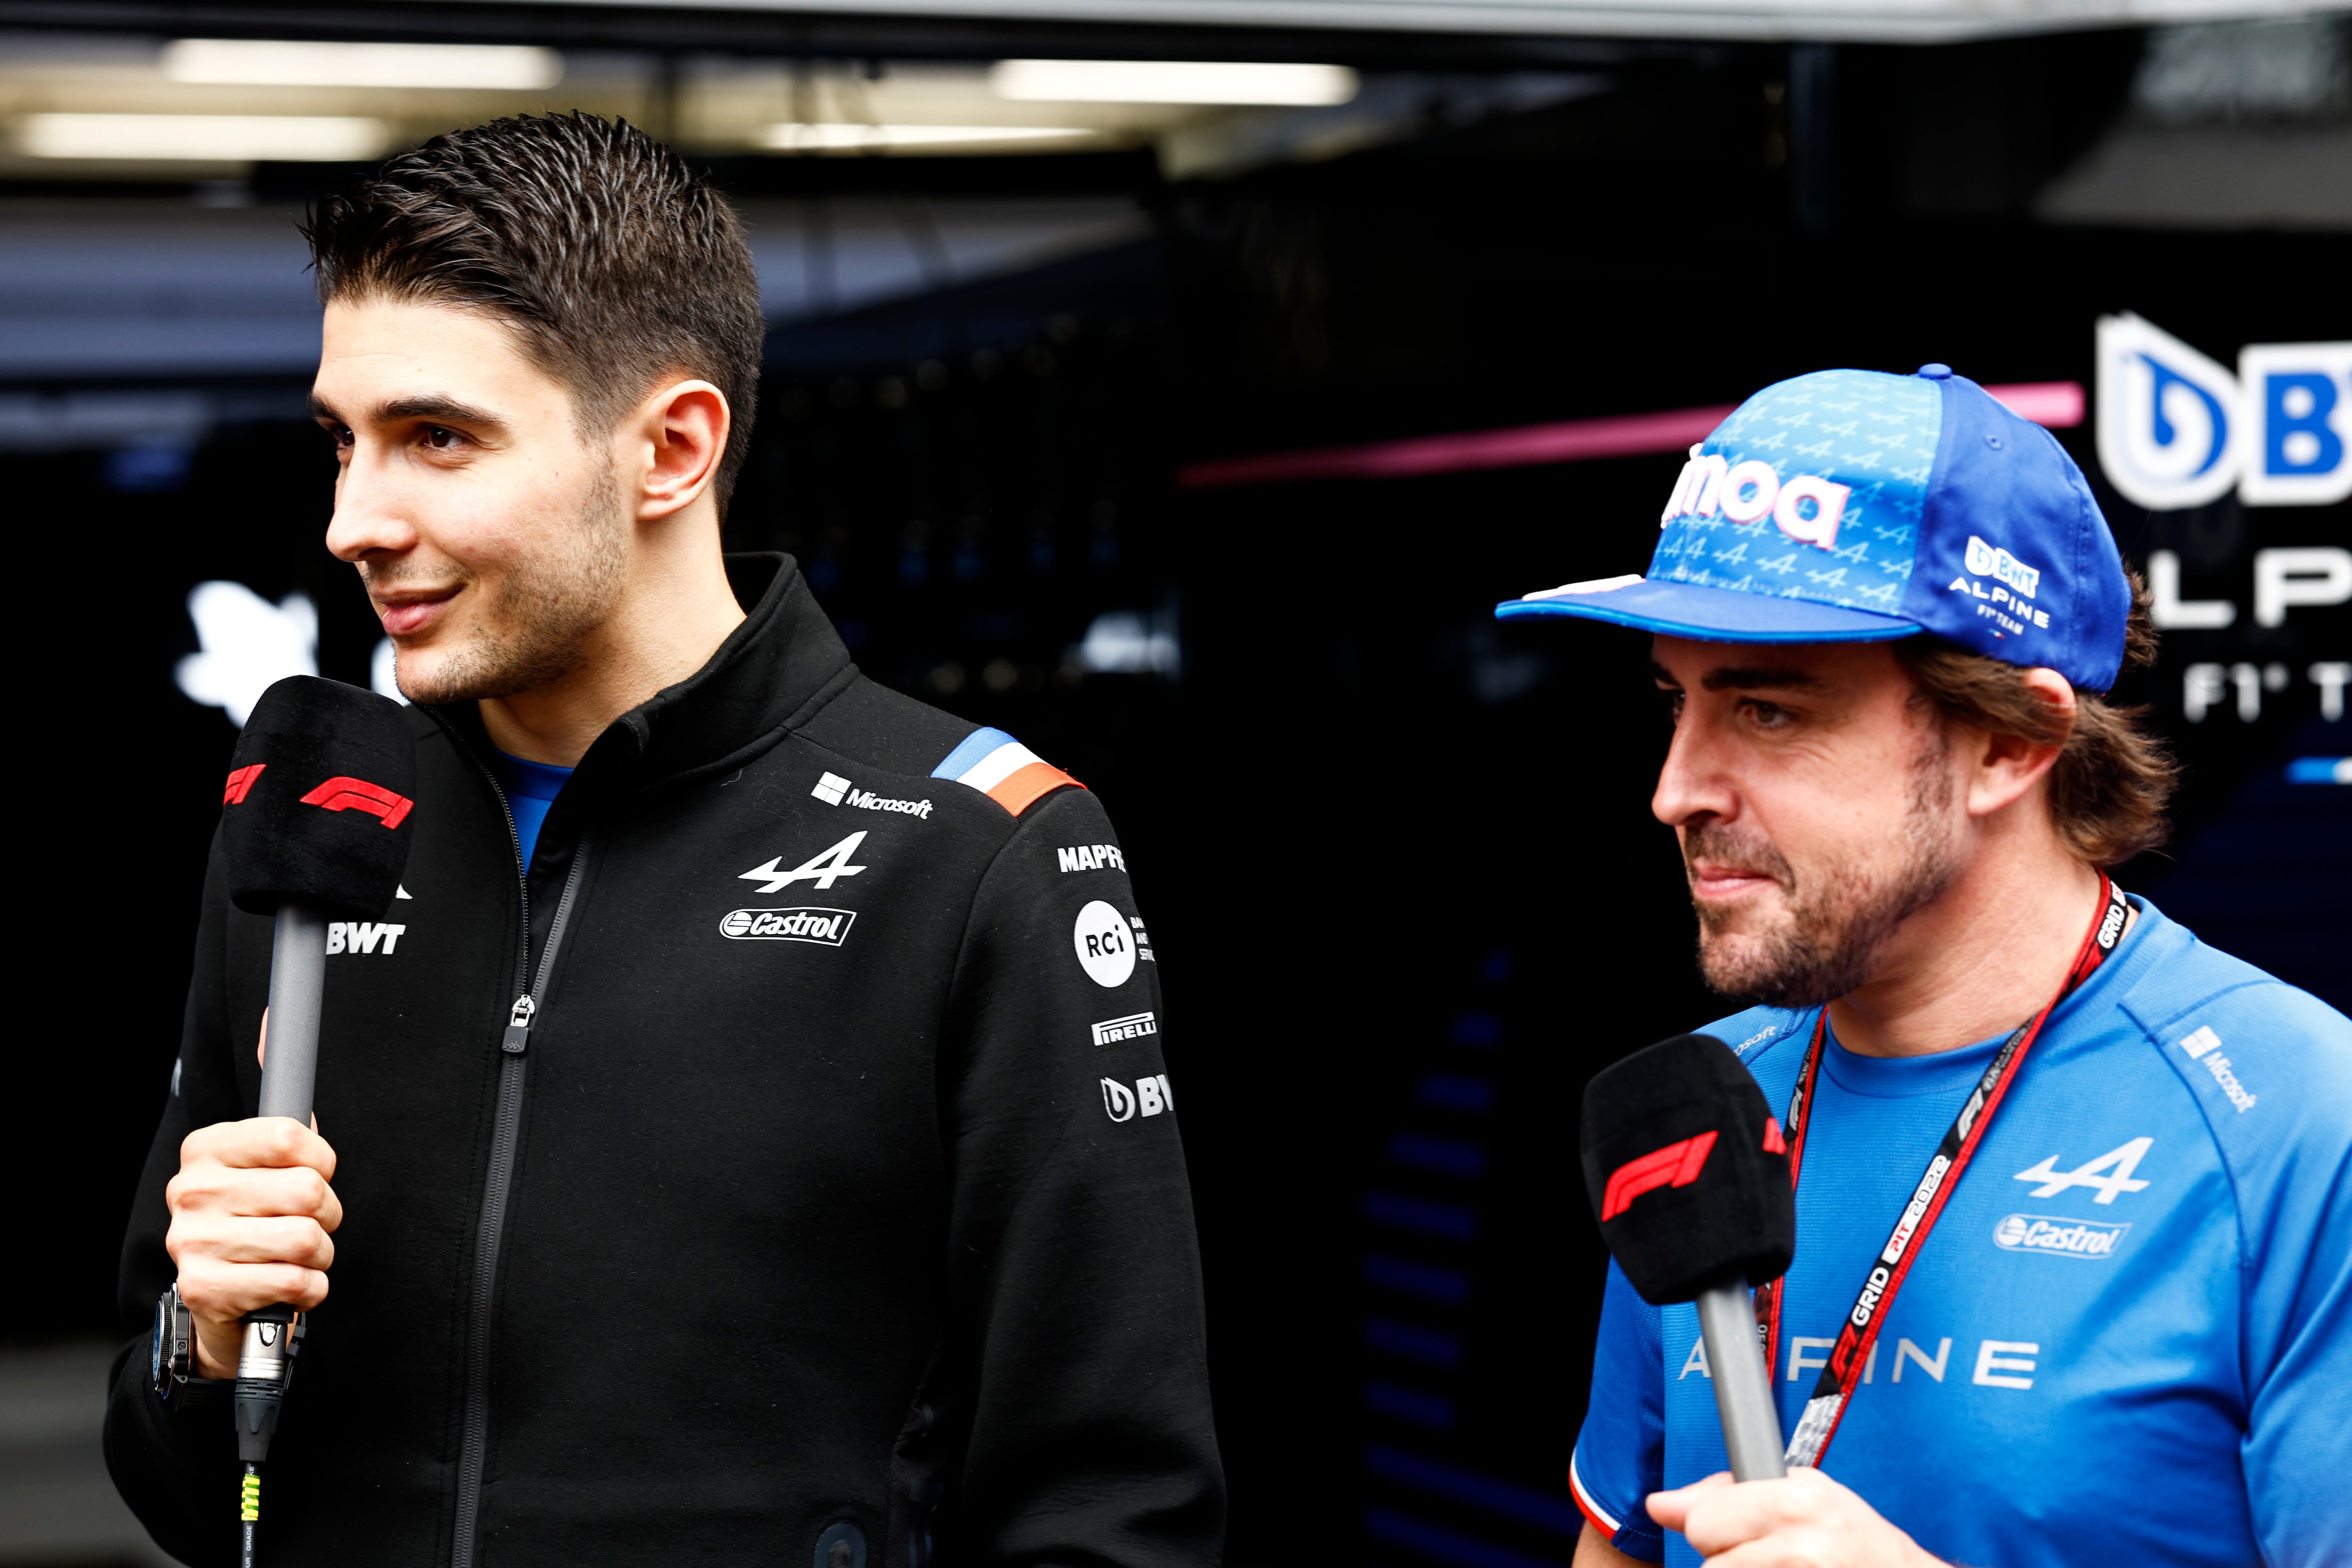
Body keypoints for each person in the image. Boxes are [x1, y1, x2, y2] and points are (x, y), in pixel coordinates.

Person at [106, 113, 1221, 1568]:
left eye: (435, 437)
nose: (353, 519)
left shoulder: (979, 848)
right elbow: (185, 1489)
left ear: (672, 448)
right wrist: (199, 1342)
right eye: (343, 441)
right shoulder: (310, 832)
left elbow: (1115, 1509)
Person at [1496, 365, 2350, 1568]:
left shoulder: (2298, 1119)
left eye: (1768, 711)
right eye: (1674, 702)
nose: (1674, 789)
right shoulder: (1699, 1108)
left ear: (2011, 738)